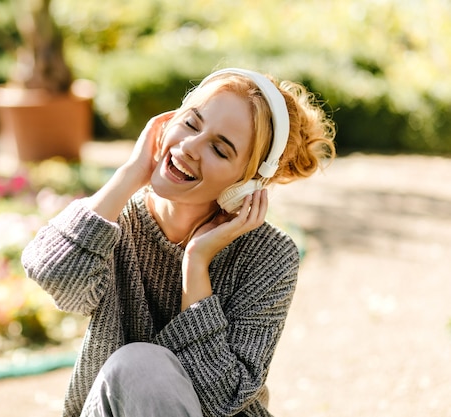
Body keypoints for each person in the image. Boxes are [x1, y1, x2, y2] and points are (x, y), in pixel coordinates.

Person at [21, 67, 336, 417]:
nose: (189, 147)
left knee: (141, 364)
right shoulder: (114, 220)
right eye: (191, 123)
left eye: (220, 149)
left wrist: (196, 265)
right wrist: (129, 175)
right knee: (138, 365)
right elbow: (51, 273)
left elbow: (225, 397)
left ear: (247, 183)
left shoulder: (269, 257)